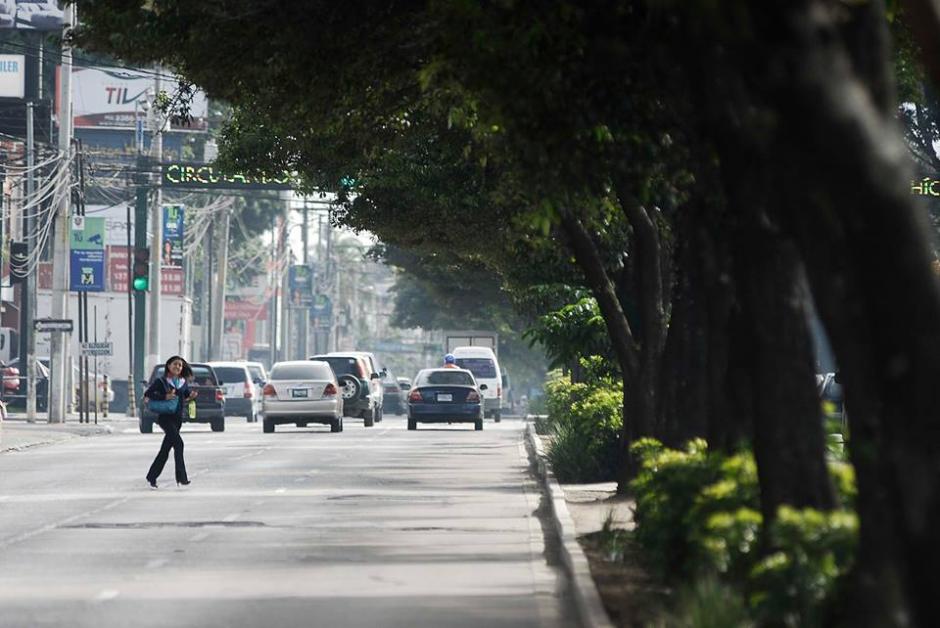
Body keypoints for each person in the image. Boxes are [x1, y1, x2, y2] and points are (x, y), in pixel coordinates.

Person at [144, 355, 198, 489]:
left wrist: (191, 396)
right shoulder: (161, 381)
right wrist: (164, 396)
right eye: (175, 364)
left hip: (177, 419)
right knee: (179, 443)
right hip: (165, 418)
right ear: (168, 366)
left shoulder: (182, 382)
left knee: (165, 449)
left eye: (180, 365)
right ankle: (182, 478)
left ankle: (152, 476)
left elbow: (185, 395)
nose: (177, 367)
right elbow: (148, 394)